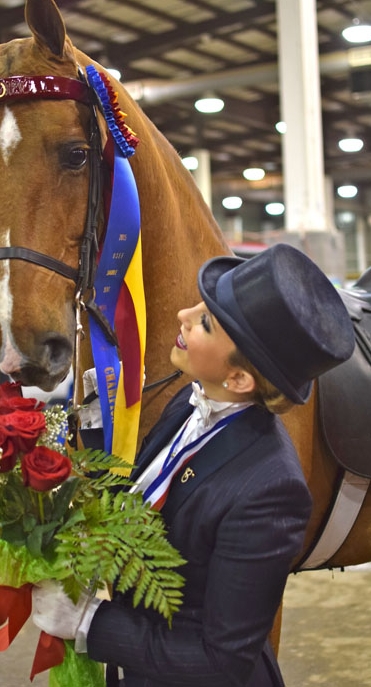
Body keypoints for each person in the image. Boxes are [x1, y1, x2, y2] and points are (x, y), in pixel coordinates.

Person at [31, 243, 355, 687]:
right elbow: (149, 499)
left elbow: (220, 663)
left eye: (205, 322)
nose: (183, 313)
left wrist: (90, 625)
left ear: (239, 378)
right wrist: (92, 433)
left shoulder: (270, 491)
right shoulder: (190, 399)